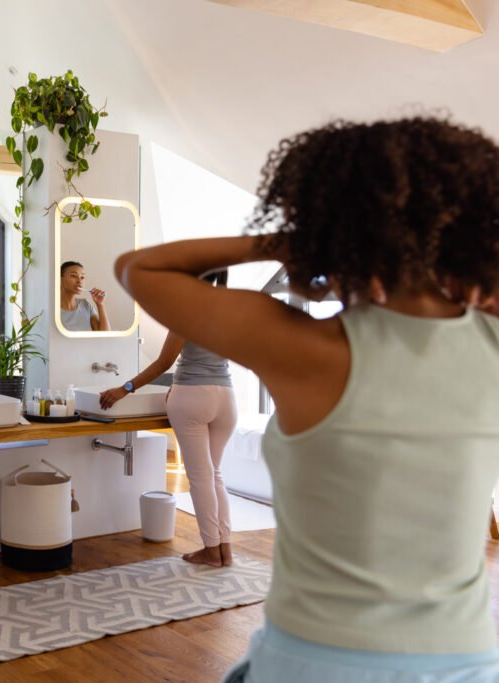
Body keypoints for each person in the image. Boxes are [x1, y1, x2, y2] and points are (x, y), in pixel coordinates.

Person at [114, 116, 499, 682]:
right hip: (465, 660)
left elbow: (139, 267)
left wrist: (287, 242)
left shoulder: (307, 346)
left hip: (316, 662)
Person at [100, 270, 236, 568]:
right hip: (227, 398)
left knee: (201, 478)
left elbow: (164, 362)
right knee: (214, 474)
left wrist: (124, 389)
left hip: (192, 397)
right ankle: (225, 549)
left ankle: (211, 551)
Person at [59, 261, 111, 331]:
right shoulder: (53, 310)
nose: (79, 281)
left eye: (82, 277)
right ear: (60, 279)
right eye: (74, 276)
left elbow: (105, 335)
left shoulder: (85, 304)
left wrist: (100, 304)